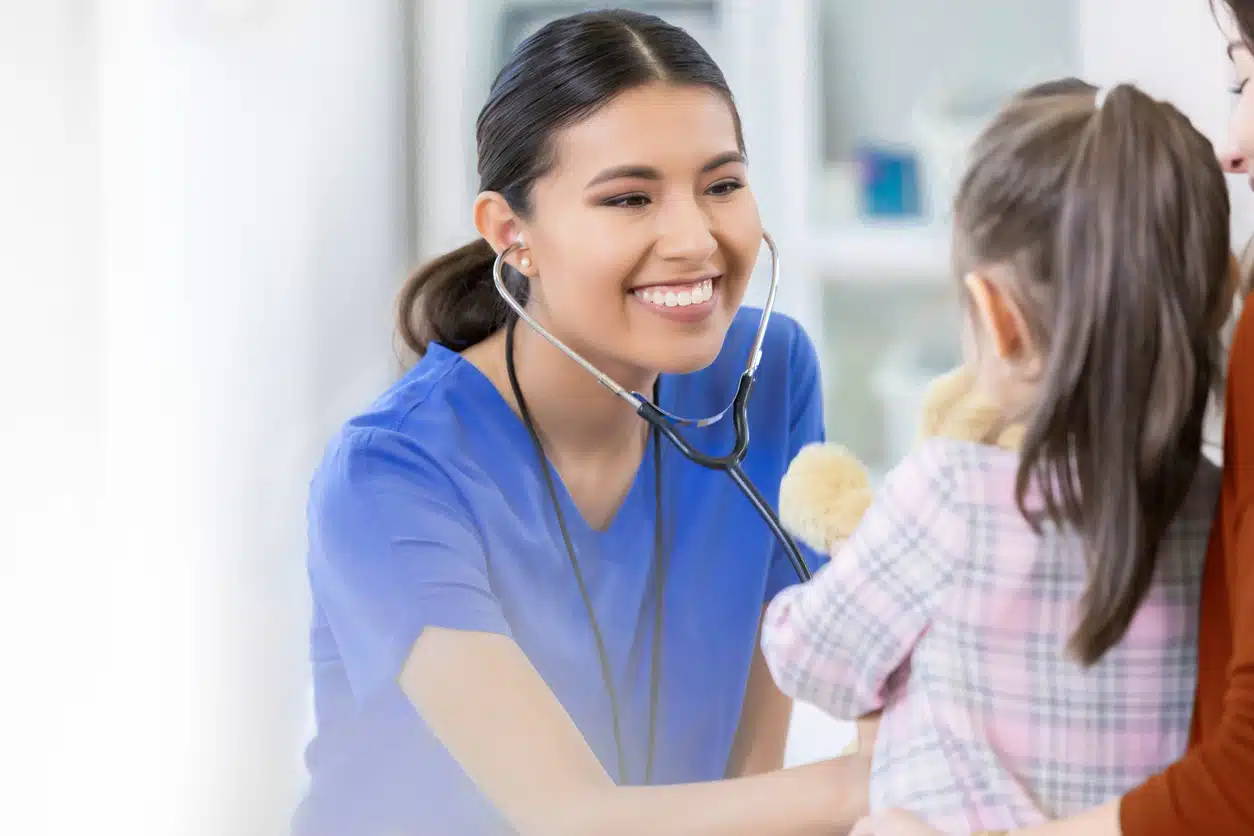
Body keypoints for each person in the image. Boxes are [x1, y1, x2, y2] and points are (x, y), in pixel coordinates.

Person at [292, 9, 869, 836]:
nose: (694, 237)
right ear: (511, 234)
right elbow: (567, 817)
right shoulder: (391, 477)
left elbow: (753, 770)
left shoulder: (771, 375)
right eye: (630, 197)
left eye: (723, 185)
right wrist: (875, 785)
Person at [758, 76, 1234, 835]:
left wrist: (834, 575)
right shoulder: (1220, 508)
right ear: (1221, 294)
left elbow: (814, 661)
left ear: (995, 318)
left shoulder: (955, 490)